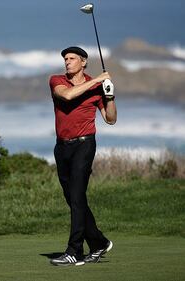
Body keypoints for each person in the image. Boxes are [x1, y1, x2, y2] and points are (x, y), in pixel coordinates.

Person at [48, 46, 117, 266]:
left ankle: (74, 251)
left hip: (85, 145)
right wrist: (97, 81)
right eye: (65, 59)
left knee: (77, 196)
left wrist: (110, 96)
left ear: (83, 62)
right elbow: (67, 95)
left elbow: (110, 118)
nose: (67, 62)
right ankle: (99, 242)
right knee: (73, 199)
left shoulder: (95, 88)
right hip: (62, 147)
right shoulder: (57, 80)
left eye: (72, 58)